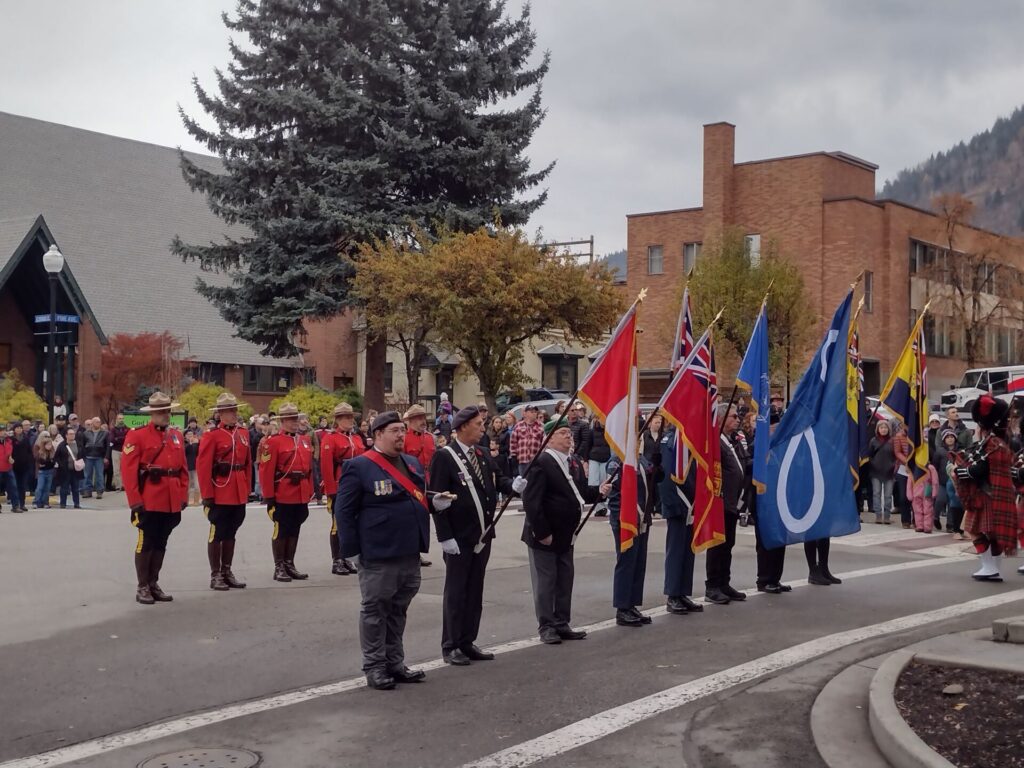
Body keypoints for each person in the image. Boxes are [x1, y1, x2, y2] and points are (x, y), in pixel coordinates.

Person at [335, 411, 434, 690]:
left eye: (402, 430)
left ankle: (395, 662)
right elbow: (344, 512)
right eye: (394, 430)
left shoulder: (411, 463)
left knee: (398, 609)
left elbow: (416, 498)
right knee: (375, 610)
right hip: (378, 553)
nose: (401, 435)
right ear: (378, 434)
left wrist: (435, 503)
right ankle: (375, 666)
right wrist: (353, 552)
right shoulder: (359, 466)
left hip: (408, 550)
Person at [429, 406, 522, 666]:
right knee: (456, 592)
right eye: (479, 424)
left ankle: (468, 640)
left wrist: (513, 486)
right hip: (458, 538)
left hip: (483, 535)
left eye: (483, 423)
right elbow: (436, 500)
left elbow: (497, 479)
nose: (484, 428)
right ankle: (451, 645)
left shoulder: (481, 453)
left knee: (474, 590)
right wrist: (444, 537)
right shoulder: (444, 457)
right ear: (462, 427)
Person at [521, 418, 610, 644]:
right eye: (562, 433)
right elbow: (532, 502)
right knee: (546, 581)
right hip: (545, 534)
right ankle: (547, 625)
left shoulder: (573, 462)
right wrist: (542, 532)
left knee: (564, 579)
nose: (569, 436)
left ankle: (562, 621)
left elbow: (578, 493)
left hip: (566, 534)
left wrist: (599, 491)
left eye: (569, 433)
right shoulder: (541, 462)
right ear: (549, 439)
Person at [121, 392, 188, 604]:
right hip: (149, 498)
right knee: (146, 542)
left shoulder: (176, 435)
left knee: (161, 542)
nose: (165, 415)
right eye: (160, 412)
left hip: (170, 498)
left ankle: (153, 583)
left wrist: (183, 494)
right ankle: (142, 586)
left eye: (167, 411)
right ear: (152, 414)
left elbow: (183, 469)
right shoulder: (137, 435)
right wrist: (135, 500)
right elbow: (128, 470)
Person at [954, 394, 1022, 581]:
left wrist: (962, 472)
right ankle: (992, 568)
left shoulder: (993, 443)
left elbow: (980, 469)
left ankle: (989, 567)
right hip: (996, 494)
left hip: (986, 494)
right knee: (992, 533)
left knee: (975, 529)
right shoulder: (998, 441)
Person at [197, 393, 252, 591]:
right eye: (229, 411)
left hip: (238, 490)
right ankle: (216, 575)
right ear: (220, 414)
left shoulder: (243, 433)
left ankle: (227, 571)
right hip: (220, 490)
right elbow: (203, 467)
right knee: (217, 533)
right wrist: (207, 495)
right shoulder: (211, 436)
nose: (233, 414)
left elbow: (247, 465)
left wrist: (247, 489)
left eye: (235, 410)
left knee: (231, 532)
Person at [258, 403, 314, 582]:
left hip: (300, 491)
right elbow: (266, 470)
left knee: (295, 528)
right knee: (281, 530)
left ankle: (290, 564)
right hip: (283, 492)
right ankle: (279, 566)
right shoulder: (273, 442)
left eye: (295, 418)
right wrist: (268, 495)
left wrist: (310, 491)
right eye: (290, 419)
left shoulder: (304, 440)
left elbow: (309, 468)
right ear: (282, 421)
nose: (294, 422)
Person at [606, 450, 661, 626]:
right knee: (626, 561)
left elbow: (655, 480)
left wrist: (658, 467)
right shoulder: (616, 461)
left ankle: (632, 604)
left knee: (639, 562)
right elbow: (615, 493)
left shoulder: (641, 458)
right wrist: (621, 516)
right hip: (625, 519)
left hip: (643, 516)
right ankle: (622, 608)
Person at [659, 426, 704, 615]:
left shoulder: (687, 438)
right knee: (676, 551)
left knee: (688, 550)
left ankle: (683, 592)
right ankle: (672, 595)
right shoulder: (672, 440)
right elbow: (668, 476)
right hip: (679, 503)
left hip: (690, 501)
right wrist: (677, 505)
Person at [704, 403, 746, 605]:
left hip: (732, 503)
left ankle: (724, 583)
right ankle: (712, 586)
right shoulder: (716, 443)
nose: (737, 419)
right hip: (720, 502)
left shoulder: (730, 442)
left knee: (728, 544)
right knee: (718, 545)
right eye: (733, 416)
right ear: (720, 419)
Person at [320, 401, 364, 575]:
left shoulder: (357, 438)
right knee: (337, 525)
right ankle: (337, 559)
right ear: (337, 420)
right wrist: (331, 490)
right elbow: (326, 466)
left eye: (351, 417)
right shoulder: (330, 438)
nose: (350, 420)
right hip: (340, 486)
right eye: (346, 417)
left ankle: (347, 557)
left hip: (357, 486)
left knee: (354, 523)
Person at [582, 416, 612, 517]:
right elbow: (587, 446)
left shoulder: (610, 431)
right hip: (594, 458)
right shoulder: (592, 431)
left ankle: (604, 505)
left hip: (606, 459)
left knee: (604, 482)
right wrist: (585, 461)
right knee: (593, 482)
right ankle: (598, 507)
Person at [867, 420, 896, 524]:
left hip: (889, 472)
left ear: (889, 429)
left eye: (885, 427)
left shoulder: (892, 441)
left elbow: (896, 456)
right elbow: (869, 456)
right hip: (876, 472)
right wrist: (873, 465)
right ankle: (878, 515)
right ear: (878, 429)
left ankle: (887, 516)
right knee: (876, 493)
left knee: (888, 495)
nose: (883, 429)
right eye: (881, 427)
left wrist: (893, 466)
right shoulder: (873, 441)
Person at [509, 404, 545, 476]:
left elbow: (544, 443)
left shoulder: (541, 426)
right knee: (524, 484)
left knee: (536, 483)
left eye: (535, 411)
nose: (534, 413)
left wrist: (542, 457)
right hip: (522, 461)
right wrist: (514, 456)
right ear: (525, 413)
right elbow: (513, 442)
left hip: (536, 461)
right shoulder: (518, 426)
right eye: (532, 412)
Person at [402, 405, 436, 476]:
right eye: (420, 419)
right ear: (411, 420)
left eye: (424, 418)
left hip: (431, 479)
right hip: (414, 479)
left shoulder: (430, 437)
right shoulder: (404, 439)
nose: (424, 421)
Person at [907, 460, 940, 534]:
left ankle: (927, 526)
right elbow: (910, 482)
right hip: (917, 492)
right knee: (917, 510)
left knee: (927, 509)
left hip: (926, 491)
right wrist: (909, 494)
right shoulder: (914, 468)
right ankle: (920, 526)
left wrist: (934, 492)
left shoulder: (930, 468)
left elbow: (935, 481)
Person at [891, 420, 912, 528]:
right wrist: (907, 461)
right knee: (904, 497)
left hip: (916, 468)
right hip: (903, 469)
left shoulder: (919, 435)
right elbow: (897, 452)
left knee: (915, 496)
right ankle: (905, 520)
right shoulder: (898, 436)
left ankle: (917, 520)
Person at [81, 418, 109, 499]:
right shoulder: (86, 433)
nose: (98, 423)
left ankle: (99, 491)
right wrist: (83, 456)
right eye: (97, 422)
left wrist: (106, 457)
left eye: (99, 422)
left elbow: (107, 446)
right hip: (88, 456)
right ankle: (87, 491)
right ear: (92, 423)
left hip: (99, 456)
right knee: (87, 475)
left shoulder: (105, 433)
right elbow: (82, 445)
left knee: (99, 475)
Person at [55, 427, 83, 508]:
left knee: (75, 488)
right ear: (66, 435)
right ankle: (63, 503)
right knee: (64, 488)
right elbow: (56, 457)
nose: (72, 435)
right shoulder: (62, 445)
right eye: (70, 434)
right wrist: (61, 465)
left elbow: (82, 454)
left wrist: (81, 462)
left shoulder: (78, 444)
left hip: (76, 470)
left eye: (73, 434)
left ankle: (76, 503)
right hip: (65, 470)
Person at [10, 423, 32, 512]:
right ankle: (15, 504)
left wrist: (29, 461)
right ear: (14, 429)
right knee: (14, 486)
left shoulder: (26, 439)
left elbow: (29, 451)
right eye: (17, 428)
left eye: (20, 428)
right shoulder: (11, 440)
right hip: (14, 466)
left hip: (24, 466)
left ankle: (22, 504)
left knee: (22, 486)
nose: (19, 429)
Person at [0, 424, 22, 513]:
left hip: (8, 468)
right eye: (2, 431)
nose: (4, 432)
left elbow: (11, 453)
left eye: (4, 430)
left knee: (13, 487)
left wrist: (11, 458)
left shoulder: (9, 441)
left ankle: (15, 506)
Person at [33, 434, 58, 508]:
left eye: (50, 444)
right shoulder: (40, 453)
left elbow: (53, 463)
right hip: (42, 472)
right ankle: (36, 502)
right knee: (40, 487)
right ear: (44, 445)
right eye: (47, 445)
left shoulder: (53, 453)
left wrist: (49, 462)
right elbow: (41, 462)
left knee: (47, 488)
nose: (49, 446)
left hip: (50, 472)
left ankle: (45, 502)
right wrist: (48, 462)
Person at [109, 414, 128, 491]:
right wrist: (122, 438)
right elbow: (112, 440)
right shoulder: (113, 429)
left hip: (125, 450)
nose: (121, 420)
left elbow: (128, 439)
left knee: (124, 469)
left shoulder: (127, 429)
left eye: (122, 418)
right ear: (117, 419)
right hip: (115, 451)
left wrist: (118, 438)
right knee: (116, 469)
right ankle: (118, 486)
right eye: (120, 418)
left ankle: (124, 485)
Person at [184, 430, 201, 505]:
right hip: (186, 466)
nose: (190, 435)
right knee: (187, 485)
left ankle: (196, 501)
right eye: (188, 434)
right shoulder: (183, 443)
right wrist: (190, 443)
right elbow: (184, 451)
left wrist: (197, 443)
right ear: (185, 436)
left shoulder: (196, 443)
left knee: (197, 485)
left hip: (195, 466)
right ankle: (186, 501)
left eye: (191, 434)